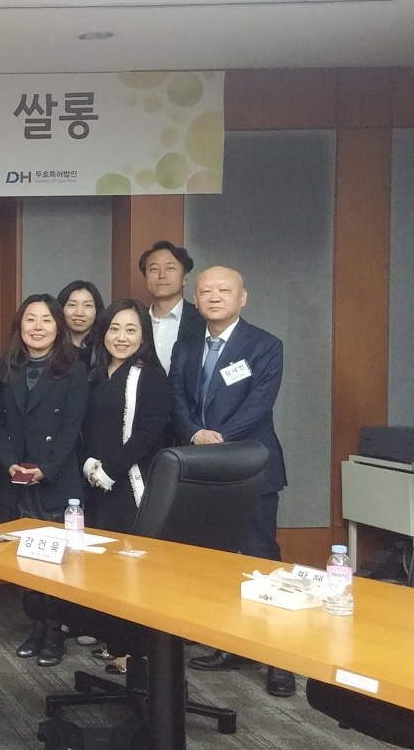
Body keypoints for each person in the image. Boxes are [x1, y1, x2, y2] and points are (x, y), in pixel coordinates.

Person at [170, 266, 294, 697]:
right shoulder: (187, 346)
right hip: (201, 468)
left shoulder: (264, 345)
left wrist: (218, 438)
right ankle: (231, 644)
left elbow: (260, 404)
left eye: (224, 290)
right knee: (217, 562)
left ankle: (279, 659)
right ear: (196, 299)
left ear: (243, 297)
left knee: (261, 558)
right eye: (206, 291)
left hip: (251, 464)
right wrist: (193, 433)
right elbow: (177, 398)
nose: (214, 297)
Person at [0, 294, 88, 668]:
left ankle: (55, 631)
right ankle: (35, 626)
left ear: (58, 327)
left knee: (57, 561)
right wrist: (8, 464)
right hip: (15, 478)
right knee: (25, 559)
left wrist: (46, 469)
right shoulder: (7, 368)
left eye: (46, 320)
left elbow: (72, 427)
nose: (37, 327)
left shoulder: (74, 369)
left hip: (56, 480)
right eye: (30, 319)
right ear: (19, 326)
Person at [81, 299, 171, 534]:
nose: (121, 338)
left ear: (143, 336)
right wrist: (88, 464)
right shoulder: (93, 375)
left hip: (131, 481)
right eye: (114, 329)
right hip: (92, 482)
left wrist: (109, 471)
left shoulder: (152, 375)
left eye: (131, 330)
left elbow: (149, 432)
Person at [140, 241, 205, 373]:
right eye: (154, 269)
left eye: (170, 268)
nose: (161, 275)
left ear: (184, 278)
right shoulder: (136, 321)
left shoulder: (203, 320)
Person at [57, 280, 104, 369]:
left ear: (97, 310)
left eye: (87, 306)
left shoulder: (104, 347)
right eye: (72, 305)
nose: (79, 313)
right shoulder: (50, 345)